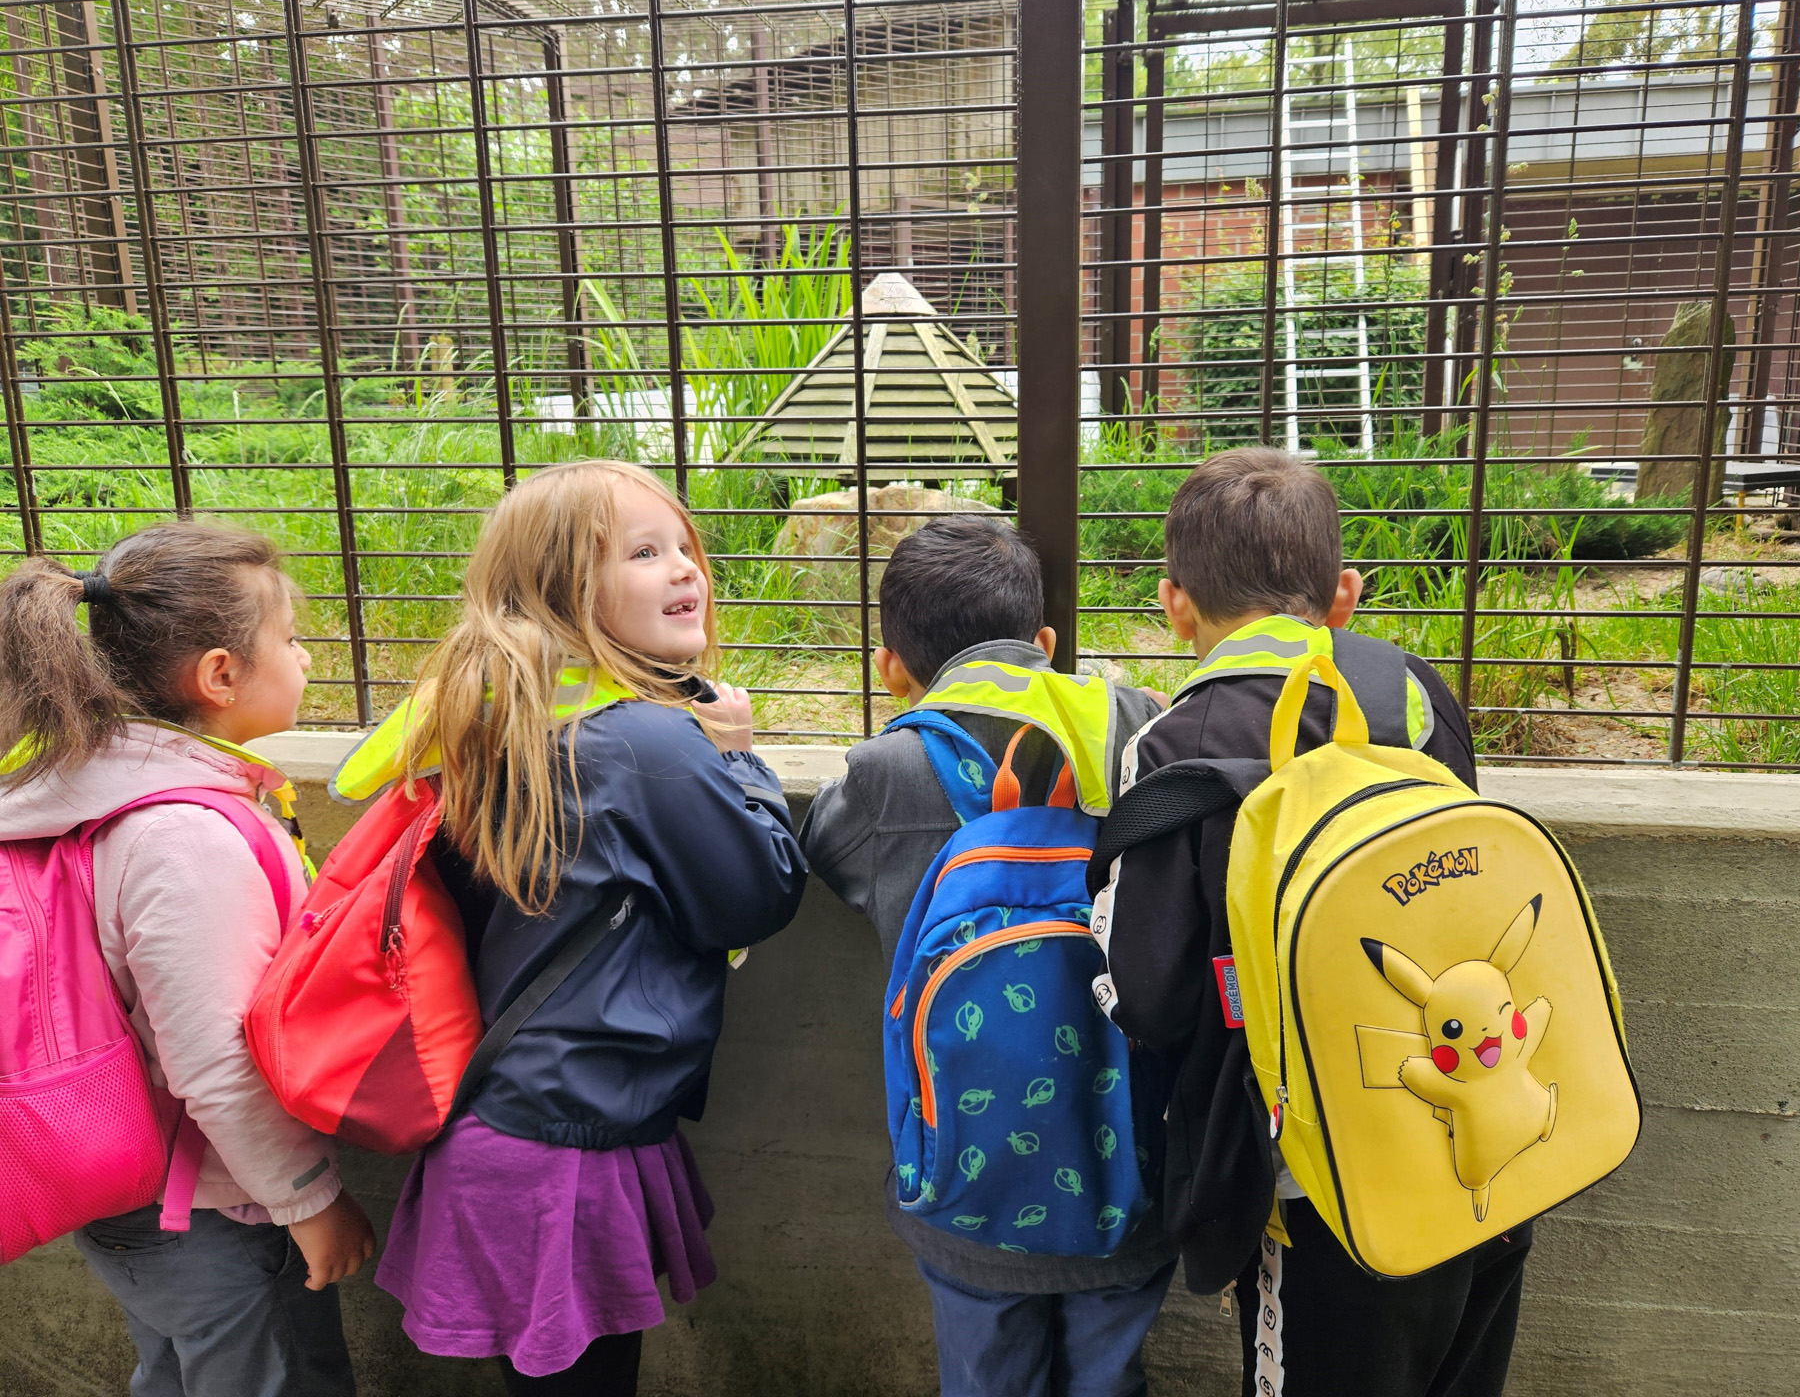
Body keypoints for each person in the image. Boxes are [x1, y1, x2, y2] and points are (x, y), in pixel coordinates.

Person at [368, 460, 808, 1396]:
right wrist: (740, 760)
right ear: (563, 591)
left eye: (683, 545)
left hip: (509, 1121)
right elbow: (758, 892)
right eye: (645, 553)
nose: (686, 568)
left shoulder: (498, 718)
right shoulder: (644, 742)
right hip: (566, 1143)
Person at [1093, 449, 1527, 1397]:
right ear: (1344, 594)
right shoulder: (1411, 693)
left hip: (1319, 1182)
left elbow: (1153, 996)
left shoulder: (1175, 744)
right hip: (1489, 1135)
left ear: (1175, 604)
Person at [802, 515, 1179, 1397]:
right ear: (1045, 643)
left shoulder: (888, 772)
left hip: (968, 1184)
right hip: (1133, 1163)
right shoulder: (1141, 731)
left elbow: (822, 851)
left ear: (892, 666)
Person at [0, 522, 375, 1397]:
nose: (308, 657)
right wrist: (310, 1201)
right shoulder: (182, 837)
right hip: (212, 1210)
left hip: (134, 1200)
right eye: (289, 639)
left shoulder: (87, 785)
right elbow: (215, 1060)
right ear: (219, 674)